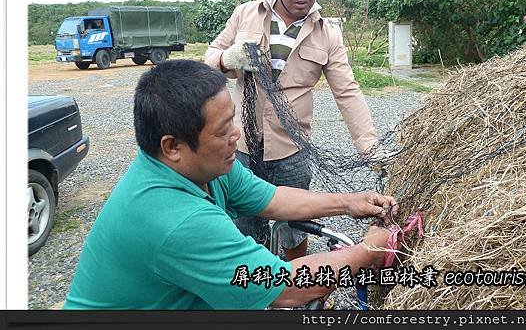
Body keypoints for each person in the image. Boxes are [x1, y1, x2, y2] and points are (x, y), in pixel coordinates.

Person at [63, 60, 398, 310]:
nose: (236, 135)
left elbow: (274, 199)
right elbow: (285, 288)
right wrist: (368, 250)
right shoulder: (175, 219)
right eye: (223, 130)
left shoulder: (207, 167)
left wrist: (349, 201)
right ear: (173, 146)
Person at [205, 0, 383, 261]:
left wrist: (370, 147)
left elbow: (348, 91)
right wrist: (228, 58)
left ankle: (299, 289)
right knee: (244, 225)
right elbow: (208, 58)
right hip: (242, 148)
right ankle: (256, 292)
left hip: (292, 151)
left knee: (297, 226)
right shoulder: (245, 14)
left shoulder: (326, 34)